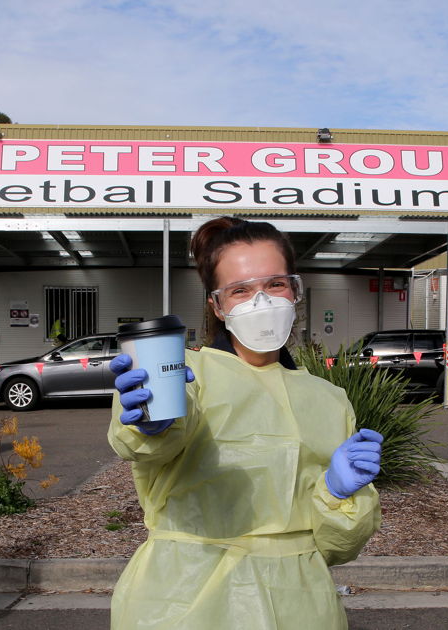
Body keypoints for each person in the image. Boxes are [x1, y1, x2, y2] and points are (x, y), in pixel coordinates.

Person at [106, 217, 383, 629]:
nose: (262, 301)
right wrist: (152, 424)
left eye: (275, 284)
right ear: (217, 305)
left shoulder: (328, 399)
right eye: (241, 290)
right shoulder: (184, 374)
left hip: (301, 605)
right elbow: (154, 441)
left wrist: (337, 495)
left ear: (296, 289)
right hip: (185, 602)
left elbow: (336, 547)